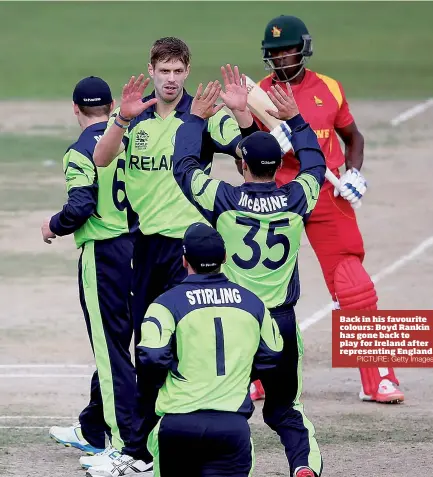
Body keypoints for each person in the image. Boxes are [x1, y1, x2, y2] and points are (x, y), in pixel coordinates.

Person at [89, 38, 257, 472]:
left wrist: (241, 112)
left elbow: (249, 152)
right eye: (163, 70)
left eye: (177, 71)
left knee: (191, 343)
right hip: (146, 247)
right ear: (151, 70)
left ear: (186, 71)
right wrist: (120, 121)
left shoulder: (200, 116)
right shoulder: (134, 116)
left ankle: (194, 431)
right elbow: (101, 158)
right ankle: (140, 450)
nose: (170, 79)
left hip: (190, 250)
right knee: (149, 348)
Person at [171, 76, 325, 477]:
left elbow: (184, 169)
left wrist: (194, 118)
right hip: (283, 320)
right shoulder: (298, 197)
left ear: (242, 165)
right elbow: (315, 164)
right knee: (286, 408)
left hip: (236, 319)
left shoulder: (225, 199)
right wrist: (296, 120)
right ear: (275, 166)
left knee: (227, 407)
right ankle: (304, 467)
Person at [252, 14, 404, 404]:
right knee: (261, 284)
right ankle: (255, 374)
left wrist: (352, 172)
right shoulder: (259, 97)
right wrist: (273, 146)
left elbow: (353, 136)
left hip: (326, 193)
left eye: (288, 50)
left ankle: (379, 380)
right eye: (274, 53)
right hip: (280, 194)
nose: (282, 57)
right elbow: (245, 158)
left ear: (302, 49)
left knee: (354, 285)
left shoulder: (330, 88)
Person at [88, 222, 283, 477]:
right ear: (224, 258)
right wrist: (239, 374)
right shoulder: (253, 303)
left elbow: (152, 359)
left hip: (177, 426)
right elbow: (274, 355)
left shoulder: (165, 305)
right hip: (232, 428)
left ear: (183, 260)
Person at [41, 77, 137, 468]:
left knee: (111, 348)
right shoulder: (134, 139)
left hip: (104, 255)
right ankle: (93, 427)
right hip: (143, 249)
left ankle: (124, 442)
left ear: (75, 109)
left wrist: (53, 225)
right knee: (124, 344)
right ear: (113, 104)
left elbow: (81, 206)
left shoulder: (81, 150)